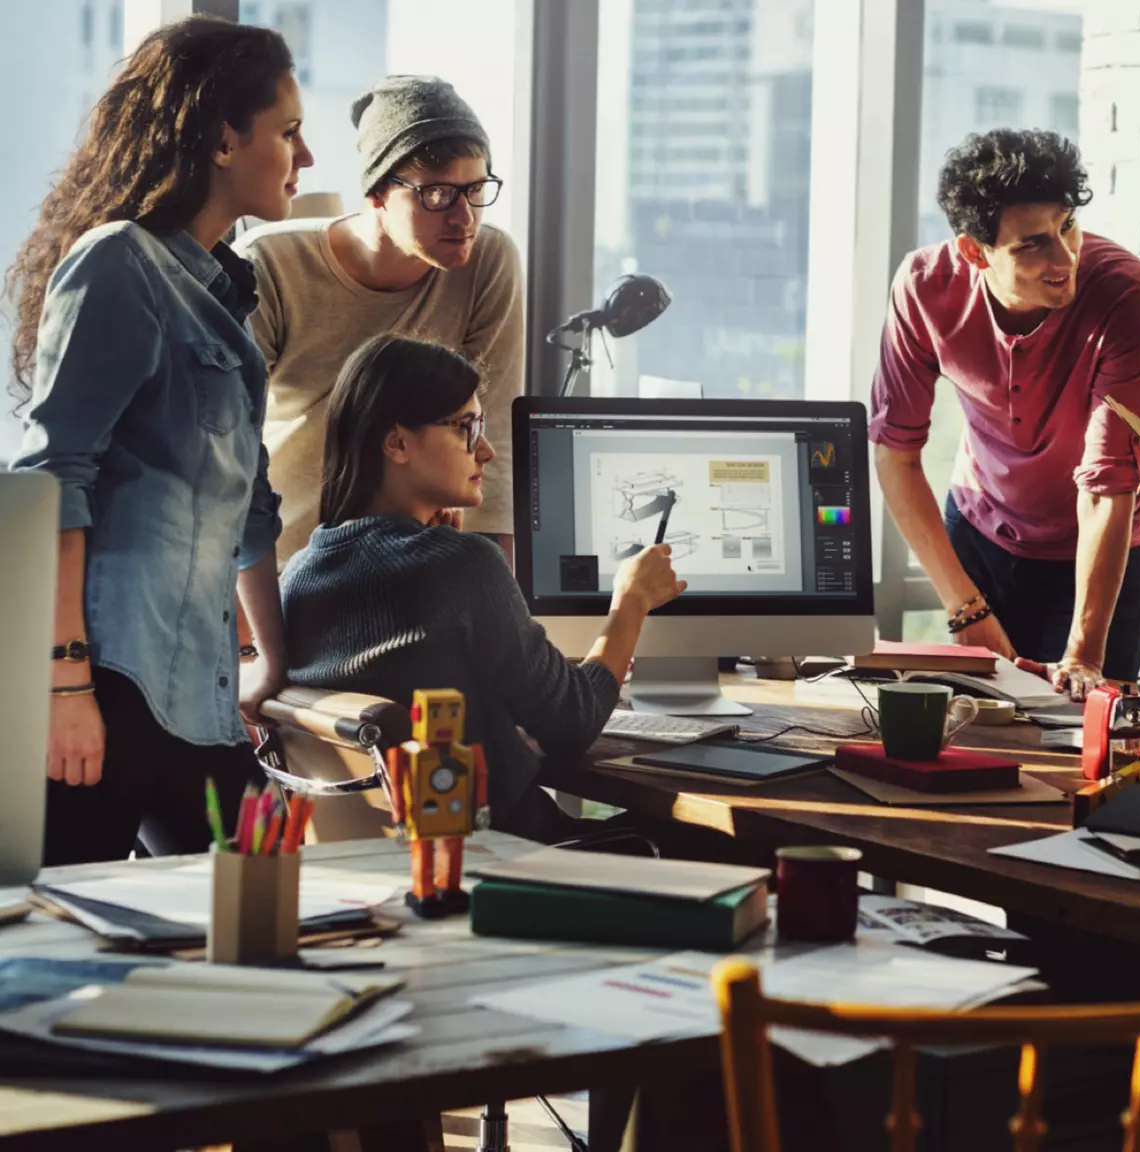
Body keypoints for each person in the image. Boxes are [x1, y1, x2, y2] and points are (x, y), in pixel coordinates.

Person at [6, 18, 307, 865]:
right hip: (108, 688)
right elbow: (52, 478)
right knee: (55, 948)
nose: (304, 158)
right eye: (288, 133)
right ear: (222, 139)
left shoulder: (228, 296)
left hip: (201, 702)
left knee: (270, 896)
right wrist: (65, 687)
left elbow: (251, 513)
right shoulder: (118, 266)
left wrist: (269, 667)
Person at [279, 335, 684, 841]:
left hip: (397, 873)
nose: (487, 451)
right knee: (733, 842)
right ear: (397, 442)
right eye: (466, 428)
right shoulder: (461, 565)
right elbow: (572, 724)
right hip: (515, 865)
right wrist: (631, 602)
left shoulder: (298, 574)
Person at [870, 128, 1140, 695]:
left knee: (1088, 740)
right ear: (974, 251)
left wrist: (1082, 654)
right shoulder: (924, 287)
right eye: (1033, 244)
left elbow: (1107, 484)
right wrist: (963, 608)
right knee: (973, 731)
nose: (1065, 257)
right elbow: (896, 455)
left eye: (1067, 226)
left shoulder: (1129, 294)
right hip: (980, 531)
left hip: (1101, 548)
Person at [240, 75, 523, 565]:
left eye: (475, 189)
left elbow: (492, 435)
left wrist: (496, 601)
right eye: (436, 195)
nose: (464, 219)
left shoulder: (489, 259)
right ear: (376, 194)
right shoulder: (271, 265)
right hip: (286, 564)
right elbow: (234, 457)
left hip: (414, 568)